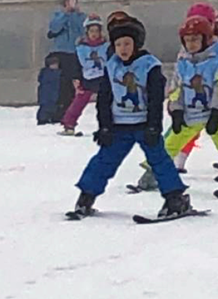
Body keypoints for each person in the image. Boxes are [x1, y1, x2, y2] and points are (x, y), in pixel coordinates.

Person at [71, 13, 192, 219]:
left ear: (136, 44)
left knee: (160, 162)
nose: (123, 49)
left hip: (144, 125)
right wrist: (105, 126)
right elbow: (104, 99)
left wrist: (154, 125)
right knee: (103, 161)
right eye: (118, 45)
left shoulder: (149, 65)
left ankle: (175, 198)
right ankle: (86, 197)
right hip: (119, 126)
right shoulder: (111, 66)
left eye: (127, 44)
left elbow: (155, 98)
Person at [140, 16, 218, 194]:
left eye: (195, 39)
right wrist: (176, 110)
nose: (191, 44)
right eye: (187, 40)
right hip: (189, 112)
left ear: (205, 39)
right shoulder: (182, 63)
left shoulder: (216, 62)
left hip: (213, 111)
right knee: (171, 142)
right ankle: (153, 173)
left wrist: (217, 111)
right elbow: (177, 88)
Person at [59, 14, 109, 136]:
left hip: (104, 78)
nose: (94, 34)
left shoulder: (107, 46)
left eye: (97, 31)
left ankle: (107, 127)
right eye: (91, 31)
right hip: (87, 78)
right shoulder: (81, 48)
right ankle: (69, 124)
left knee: (106, 104)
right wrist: (76, 78)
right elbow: (76, 64)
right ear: (87, 31)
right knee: (78, 102)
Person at [46, 0, 86, 121]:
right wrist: (66, 14)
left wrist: (75, 14)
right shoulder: (57, 15)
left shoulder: (81, 16)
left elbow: (82, 30)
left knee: (74, 85)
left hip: (76, 53)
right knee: (61, 84)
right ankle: (58, 111)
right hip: (61, 52)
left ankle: (69, 111)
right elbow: (54, 28)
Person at [36, 55, 61, 125]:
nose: (55, 66)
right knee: (45, 107)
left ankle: (54, 118)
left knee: (54, 106)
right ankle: (42, 119)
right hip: (46, 93)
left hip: (55, 93)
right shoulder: (46, 72)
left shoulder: (59, 72)